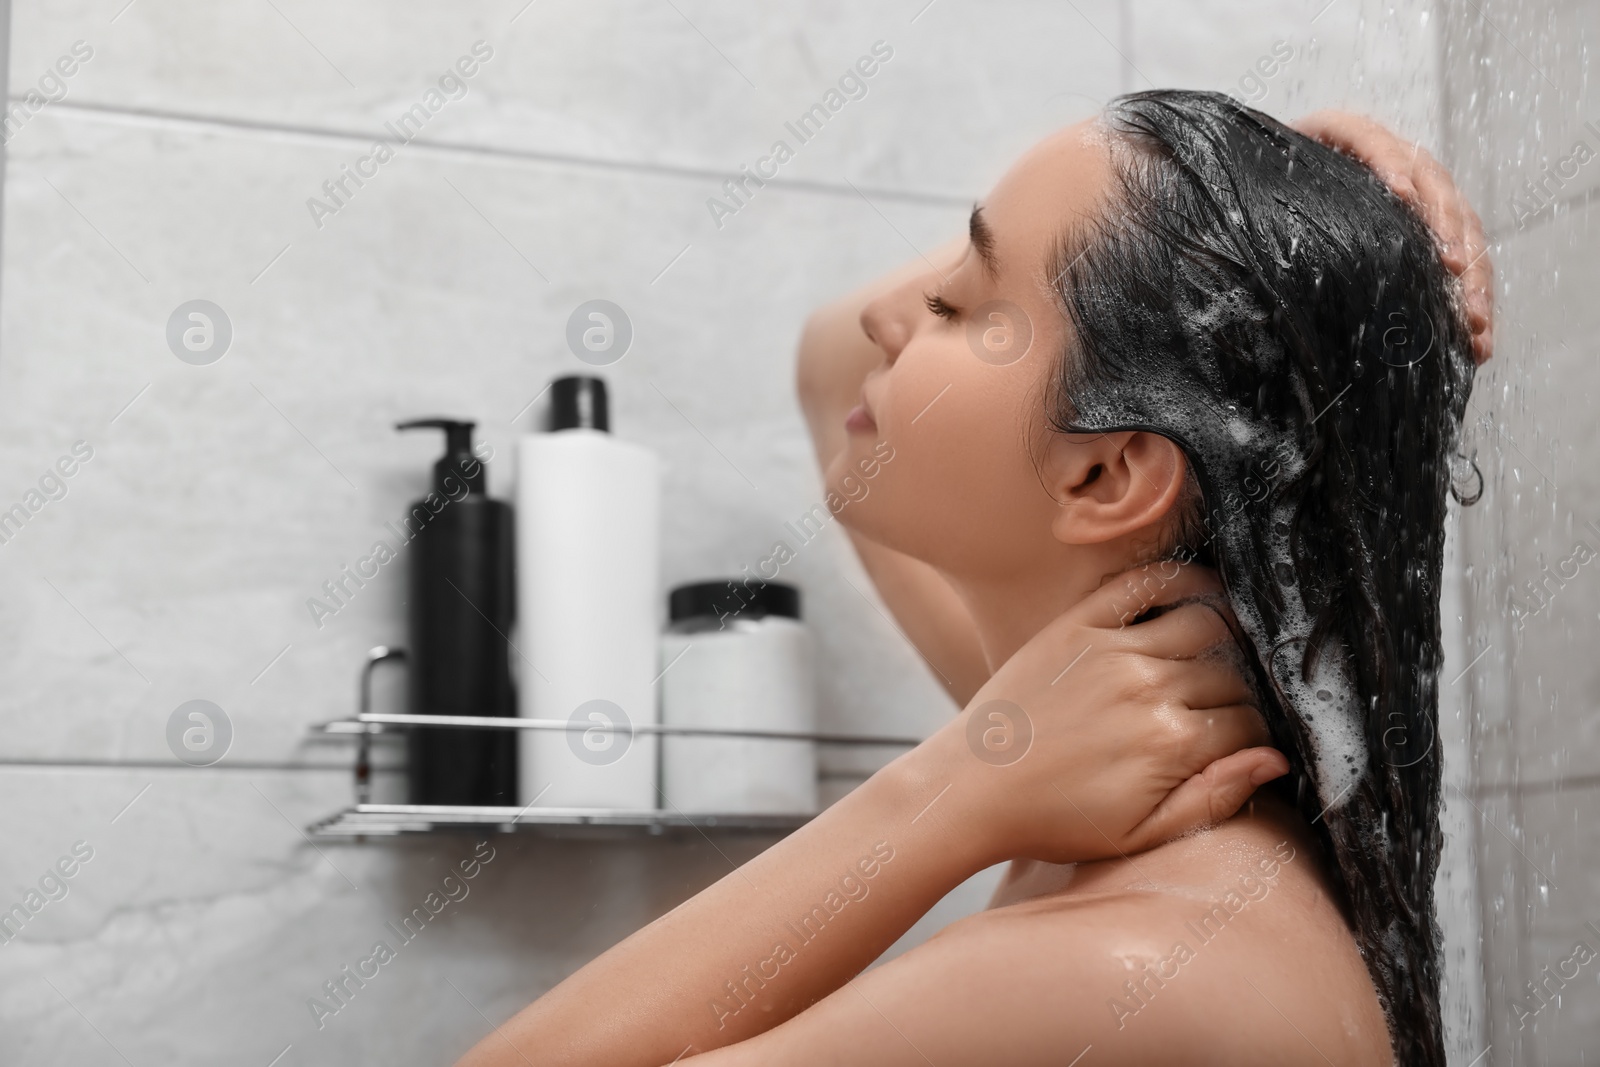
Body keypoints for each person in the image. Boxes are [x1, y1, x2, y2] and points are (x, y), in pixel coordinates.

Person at [455, 95, 1492, 1067]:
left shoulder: (1117, 970)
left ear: (1104, 471)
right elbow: (827, 363)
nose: (886, 319)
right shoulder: (1132, 767)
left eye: (957, 302)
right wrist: (1263, 198)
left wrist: (951, 792)